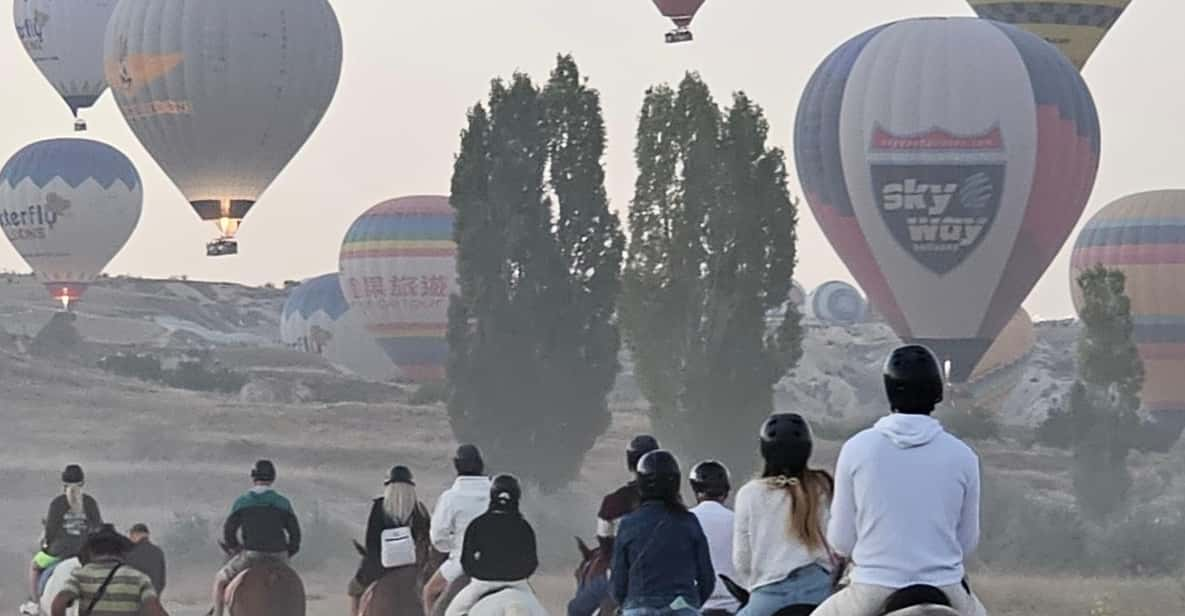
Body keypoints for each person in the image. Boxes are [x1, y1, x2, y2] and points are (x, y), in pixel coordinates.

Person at [812, 345, 986, 616]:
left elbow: (841, 541)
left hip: (873, 588)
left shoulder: (858, 448)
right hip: (945, 586)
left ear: (889, 390)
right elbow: (967, 542)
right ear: (937, 392)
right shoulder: (963, 455)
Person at [734, 414, 835, 616]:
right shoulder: (823, 486)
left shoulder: (750, 493)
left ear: (765, 451)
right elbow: (839, 543)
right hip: (821, 594)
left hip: (768, 593)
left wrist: (753, 585)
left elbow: (741, 559)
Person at [610, 450, 715, 616]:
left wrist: (630, 605)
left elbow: (617, 583)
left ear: (641, 484)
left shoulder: (627, 523)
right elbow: (707, 578)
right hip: (683, 607)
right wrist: (691, 604)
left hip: (638, 608)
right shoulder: (689, 521)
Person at [569, 434, 660, 616]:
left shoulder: (614, 502)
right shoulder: (674, 502)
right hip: (665, 577)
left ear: (630, 462)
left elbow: (604, 541)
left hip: (622, 576)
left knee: (576, 609)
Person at [210, 460, 301, 616]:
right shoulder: (283, 503)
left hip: (251, 555)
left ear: (253, 477)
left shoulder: (242, 502)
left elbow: (229, 532)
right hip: (279, 555)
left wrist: (236, 548)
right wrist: (287, 553)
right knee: (295, 586)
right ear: (272, 478)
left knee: (220, 580)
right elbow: (295, 535)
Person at [445, 474, 539, 616]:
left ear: (492, 495)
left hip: (482, 584)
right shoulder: (524, 527)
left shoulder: (477, 524)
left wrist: (482, 574)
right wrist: (515, 574)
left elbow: (466, 562)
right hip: (518, 584)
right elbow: (532, 563)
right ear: (517, 496)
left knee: (451, 613)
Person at [348, 465, 431, 616]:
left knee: (354, 589)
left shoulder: (380, 507)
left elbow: (371, 544)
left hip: (382, 567)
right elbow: (427, 542)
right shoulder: (419, 510)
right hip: (413, 569)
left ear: (388, 486)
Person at [424, 444, 491, 616]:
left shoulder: (450, 497)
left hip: (461, 564)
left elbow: (437, 536)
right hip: (497, 562)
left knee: (429, 593)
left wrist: (452, 546)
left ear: (456, 465)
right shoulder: (494, 492)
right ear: (481, 464)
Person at [50, 524, 169, 616]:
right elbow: (154, 610)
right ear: (121, 552)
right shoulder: (139, 577)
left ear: (91, 551)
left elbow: (58, 604)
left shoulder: (80, 575)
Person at [31, 464, 103, 600]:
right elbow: (98, 528)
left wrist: (46, 546)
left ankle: (35, 603)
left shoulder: (57, 503)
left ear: (64, 483)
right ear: (82, 482)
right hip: (86, 553)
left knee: (35, 566)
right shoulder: (90, 502)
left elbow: (50, 532)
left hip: (60, 551)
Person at [688, 461, 740, 616]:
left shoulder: (683, 522)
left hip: (694, 607)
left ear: (695, 489)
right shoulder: (738, 521)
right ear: (727, 490)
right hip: (735, 606)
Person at [126, 523, 167, 596]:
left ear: (136, 534)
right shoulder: (158, 551)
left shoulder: (130, 553)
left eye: (131, 534)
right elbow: (162, 581)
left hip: (135, 599)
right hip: (153, 598)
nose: (130, 537)